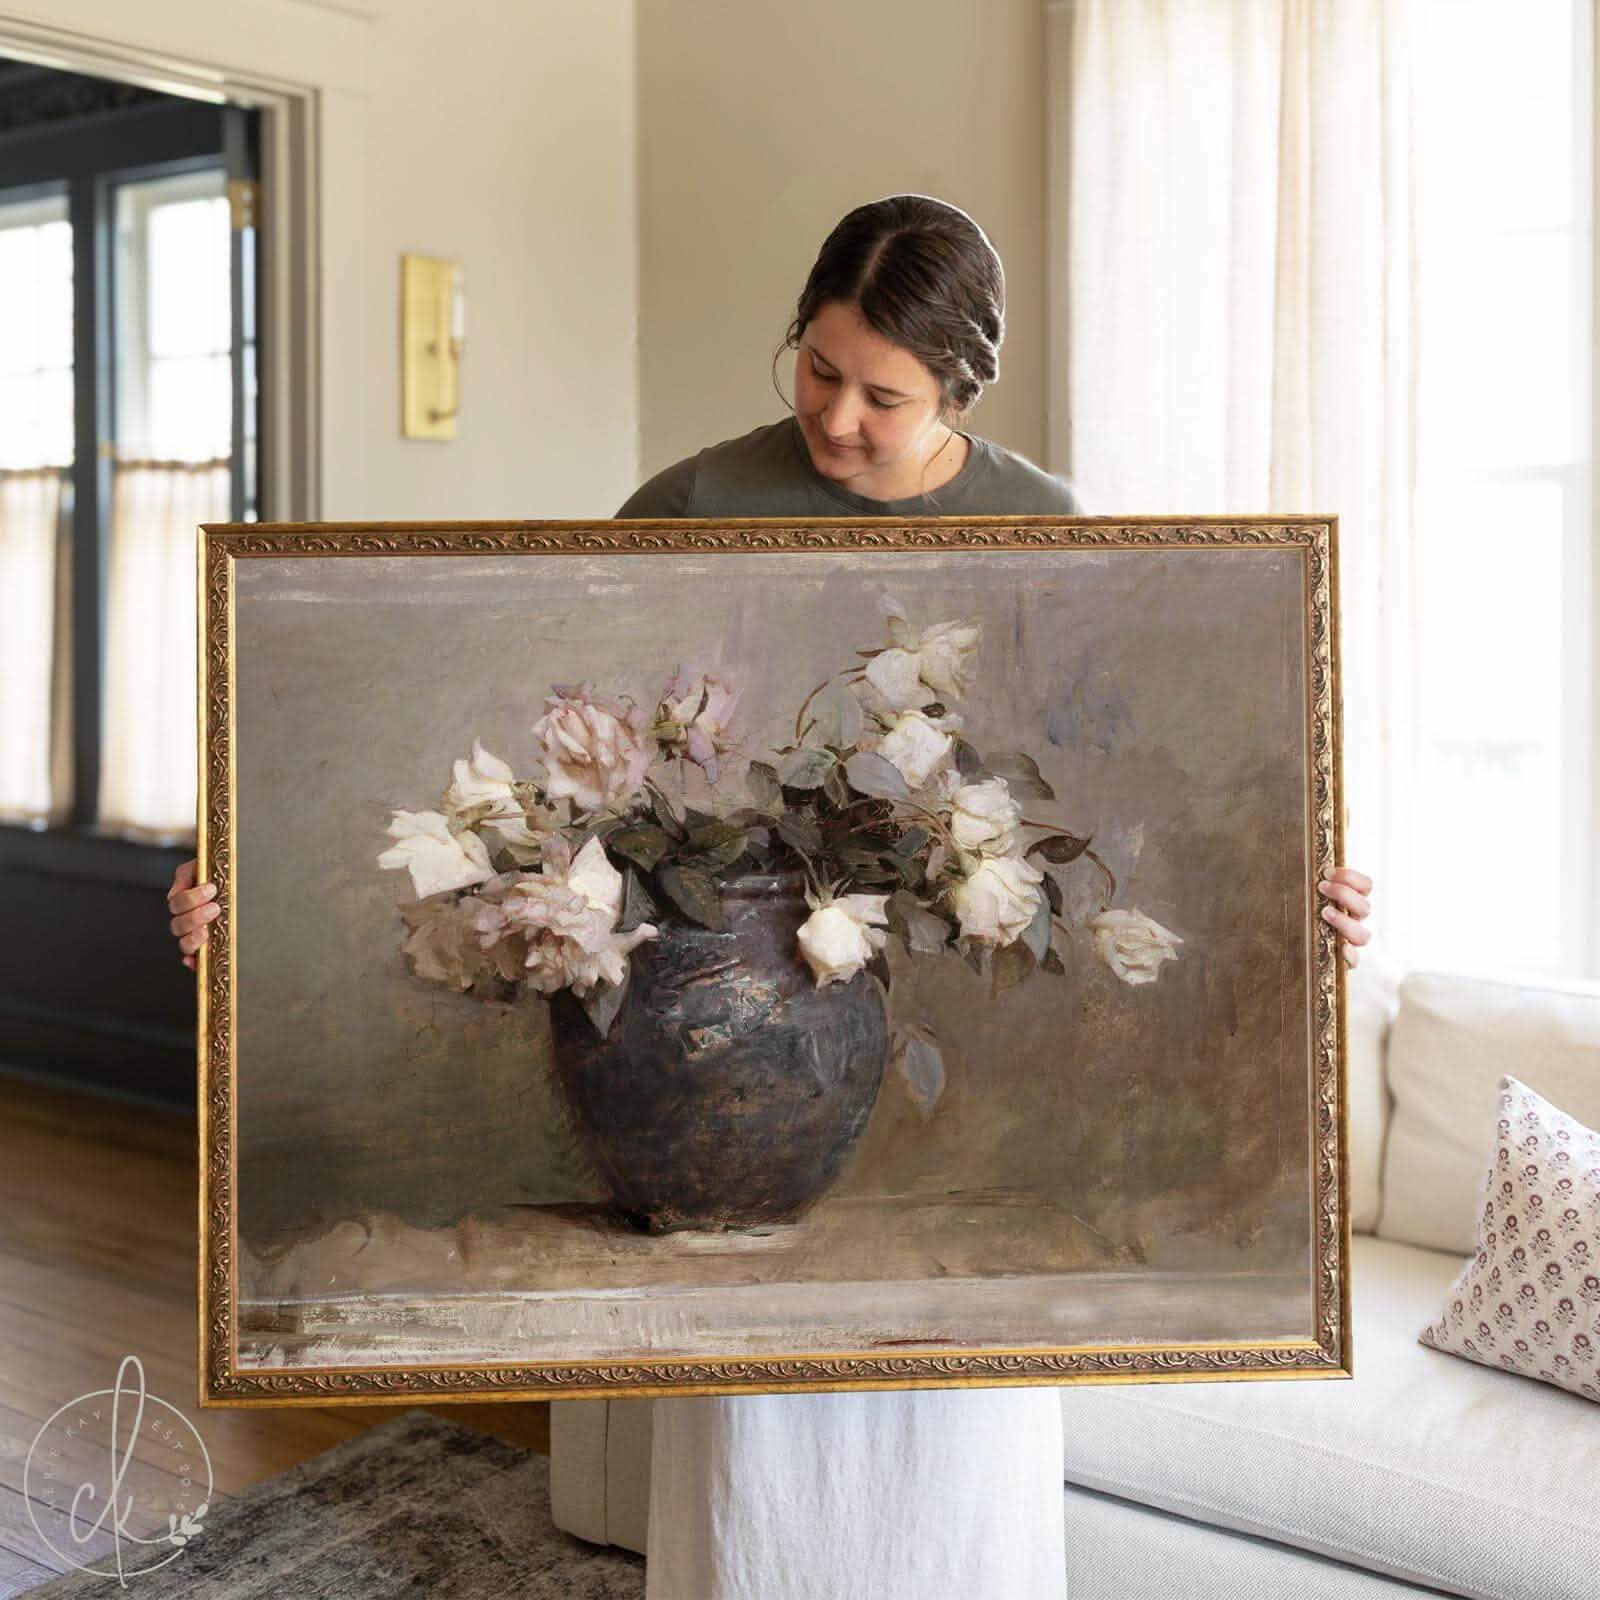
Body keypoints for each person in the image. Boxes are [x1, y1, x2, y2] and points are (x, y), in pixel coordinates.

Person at [165, 195, 1375, 1599]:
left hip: (959, 1035)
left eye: (886, 395)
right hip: (730, 1036)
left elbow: (1129, 799)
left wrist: (1305, 887)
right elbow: (548, 686)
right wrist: (222, 884)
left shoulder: (1045, 526)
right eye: (818, 368)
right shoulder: (698, 502)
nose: (840, 418)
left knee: (955, 1445)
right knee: (758, 1467)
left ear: (962, 390)